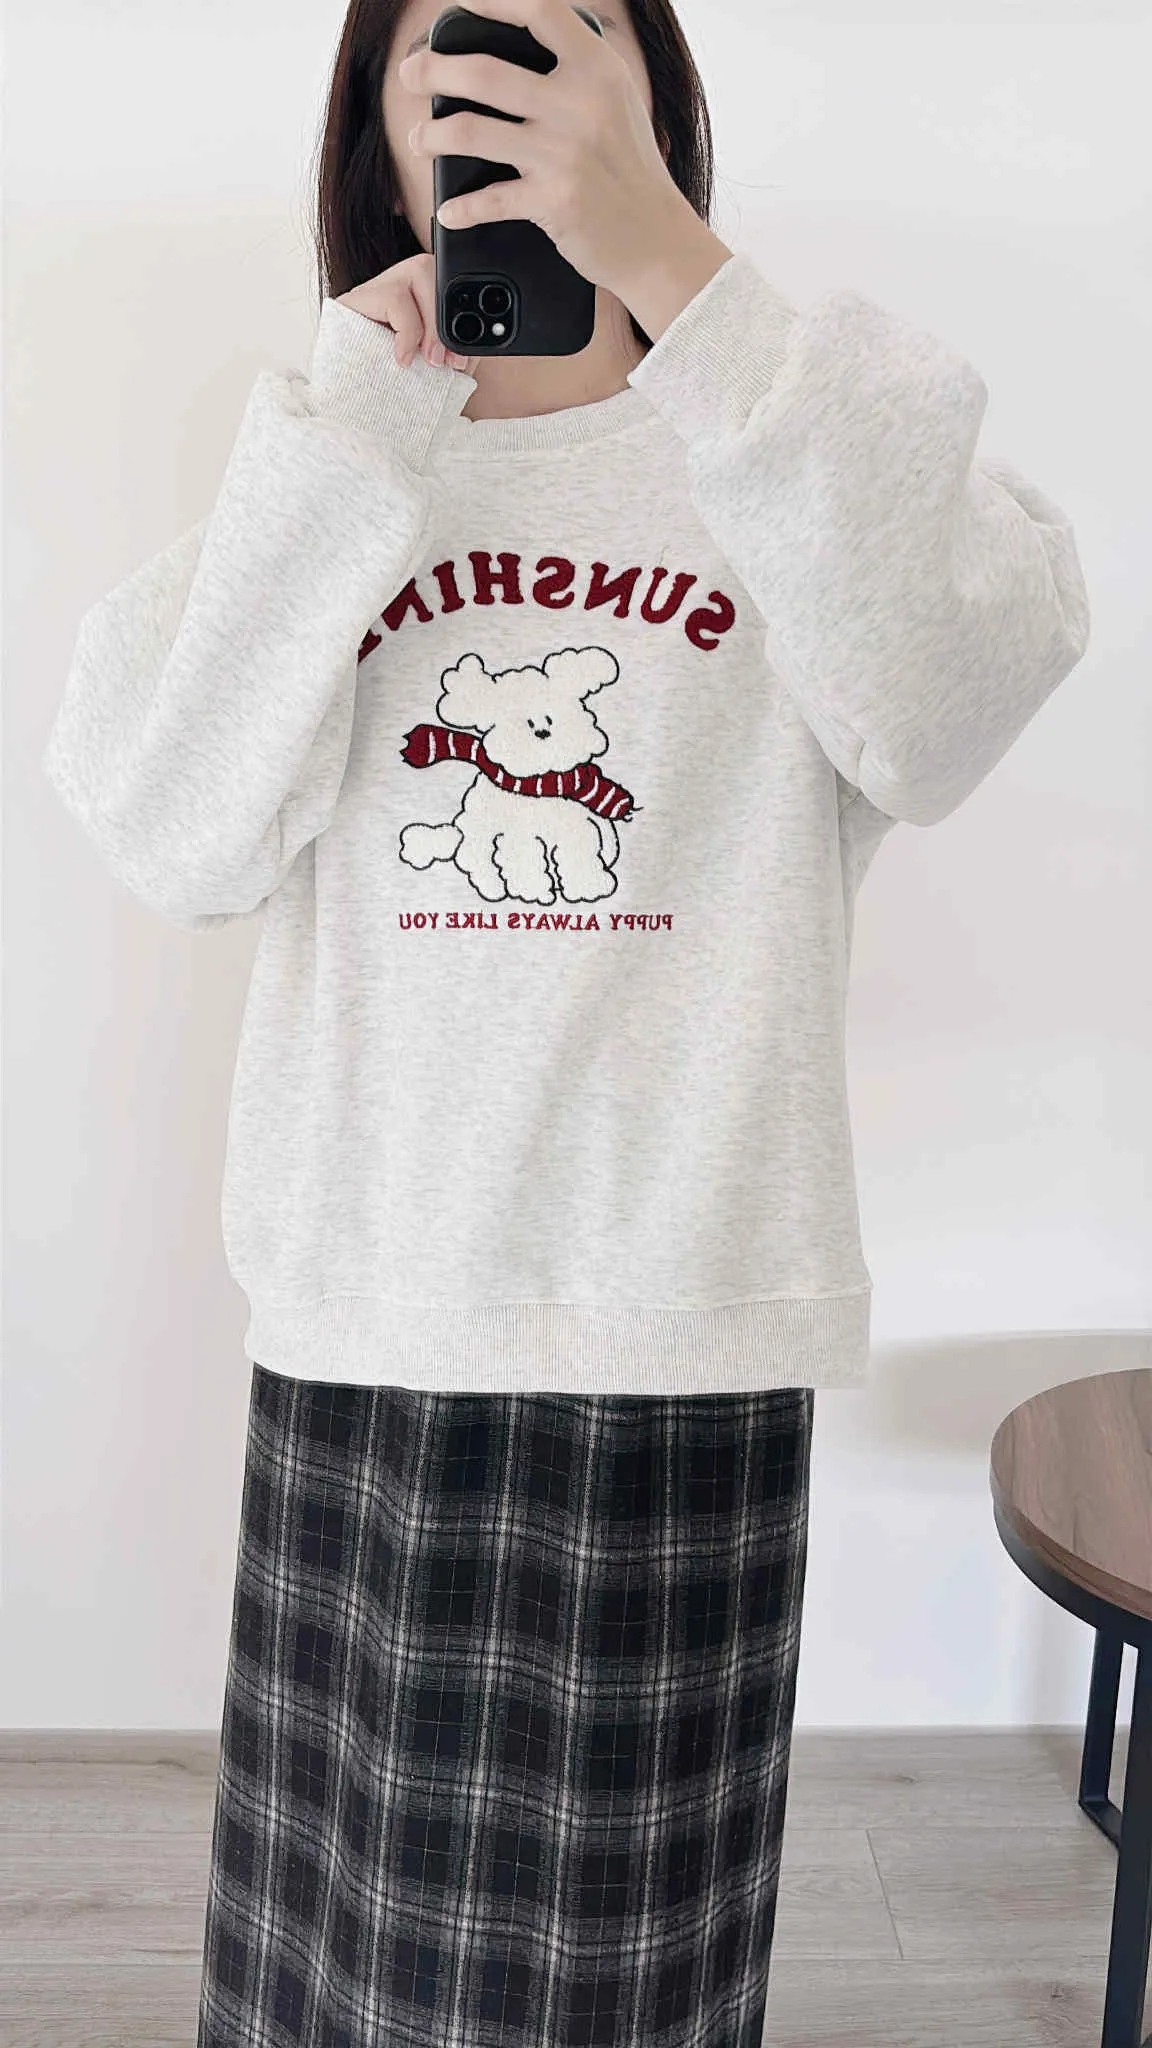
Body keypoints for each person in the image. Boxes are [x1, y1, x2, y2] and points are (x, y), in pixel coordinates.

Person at [40, 0, 1091, 2043]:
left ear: (652, 94)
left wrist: (685, 278)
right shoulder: (336, 468)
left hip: (677, 1321)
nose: (513, 75)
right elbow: (172, 827)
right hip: (376, 1315)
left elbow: (960, 692)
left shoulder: (783, 443)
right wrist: (351, 422)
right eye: (457, 44)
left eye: (568, 32)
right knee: (333, 1973)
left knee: (629, 1980)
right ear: (376, 123)